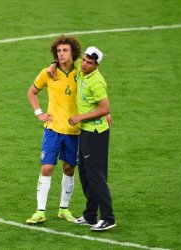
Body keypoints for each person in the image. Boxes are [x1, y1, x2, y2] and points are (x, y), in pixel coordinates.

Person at [25, 35, 81, 224]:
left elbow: (95, 73)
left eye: (65, 50)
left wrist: (104, 109)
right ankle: (40, 211)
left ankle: (63, 209)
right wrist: (39, 113)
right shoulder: (48, 73)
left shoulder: (81, 70)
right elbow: (31, 92)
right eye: (58, 51)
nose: (61, 54)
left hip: (74, 131)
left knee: (69, 168)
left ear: (73, 52)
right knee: (47, 167)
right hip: (53, 129)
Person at [68, 46, 116, 231]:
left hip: (96, 134)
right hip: (86, 132)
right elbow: (67, 62)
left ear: (97, 65)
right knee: (85, 175)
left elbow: (105, 108)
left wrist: (80, 117)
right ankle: (89, 215)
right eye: (85, 60)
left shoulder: (96, 82)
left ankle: (108, 217)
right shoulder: (81, 67)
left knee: (96, 176)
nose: (85, 65)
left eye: (90, 63)